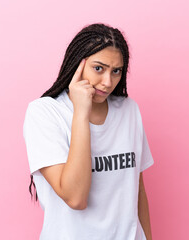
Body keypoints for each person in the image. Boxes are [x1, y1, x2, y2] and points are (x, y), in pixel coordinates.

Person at [23, 23, 154, 240]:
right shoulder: (45, 113)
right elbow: (76, 198)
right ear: (77, 64)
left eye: (116, 71)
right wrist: (81, 113)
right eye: (98, 68)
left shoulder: (129, 110)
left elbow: (137, 190)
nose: (107, 82)